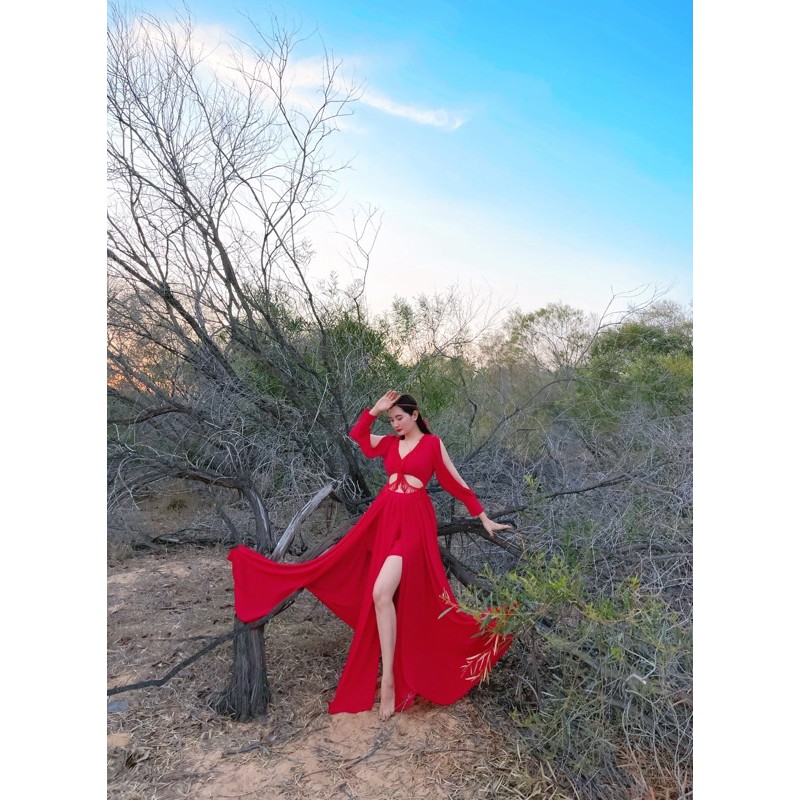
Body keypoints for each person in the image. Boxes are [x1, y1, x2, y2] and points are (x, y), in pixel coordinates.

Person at [228, 391, 514, 721]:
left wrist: (482, 516)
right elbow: (359, 437)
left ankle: (389, 680)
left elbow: (455, 481)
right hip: (385, 518)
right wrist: (374, 410)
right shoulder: (390, 444)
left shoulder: (432, 444)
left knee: (381, 592)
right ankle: (389, 674)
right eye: (391, 420)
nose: (395, 425)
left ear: (415, 415)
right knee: (358, 580)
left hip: (415, 524)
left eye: (399, 418)